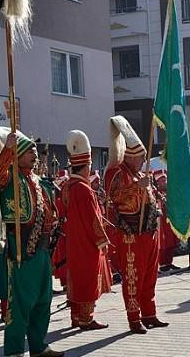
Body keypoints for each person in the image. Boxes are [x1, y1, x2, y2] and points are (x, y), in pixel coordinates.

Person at [0, 128, 63, 357]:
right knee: (20, 303)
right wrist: (7, 150)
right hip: (21, 248)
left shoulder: (38, 180)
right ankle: (14, 350)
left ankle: (39, 346)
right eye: (29, 150)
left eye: (36, 150)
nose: (34, 154)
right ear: (18, 155)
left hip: (42, 249)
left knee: (43, 299)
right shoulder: (10, 176)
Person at [104, 116, 168, 334]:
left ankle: (149, 314)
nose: (143, 160)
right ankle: (134, 319)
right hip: (131, 235)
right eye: (141, 157)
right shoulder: (117, 172)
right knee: (133, 279)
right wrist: (136, 188)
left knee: (150, 277)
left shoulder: (140, 173)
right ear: (131, 157)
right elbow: (113, 197)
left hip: (148, 232)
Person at [59, 130, 111, 330]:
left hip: (74, 240)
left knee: (76, 278)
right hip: (87, 242)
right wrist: (102, 240)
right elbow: (93, 219)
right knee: (88, 278)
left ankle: (76, 316)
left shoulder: (68, 187)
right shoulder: (83, 189)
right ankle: (86, 318)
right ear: (86, 165)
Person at [155, 170, 180, 272]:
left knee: (171, 241)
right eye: (162, 181)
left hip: (170, 220)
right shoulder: (156, 193)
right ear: (158, 182)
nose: (165, 183)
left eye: (165, 180)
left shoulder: (169, 192)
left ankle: (169, 262)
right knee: (163, 243)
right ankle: (163, 263)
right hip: (161, 222)